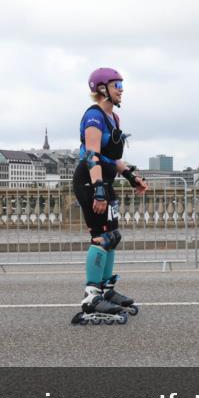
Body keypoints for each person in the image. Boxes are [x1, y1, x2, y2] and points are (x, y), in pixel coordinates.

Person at [70, 67, 148, 325]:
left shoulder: (114, 118)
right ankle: (91, 296)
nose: (122, 89)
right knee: (100, 237)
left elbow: (112, 158)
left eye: (122, 84)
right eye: (118, 85)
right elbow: (91, 154)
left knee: (113, 236)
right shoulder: (94, 116)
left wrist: (131, 177)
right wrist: (99, 190)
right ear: (102, 88)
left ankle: (105, 290)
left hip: (105, 178)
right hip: (90, 180)